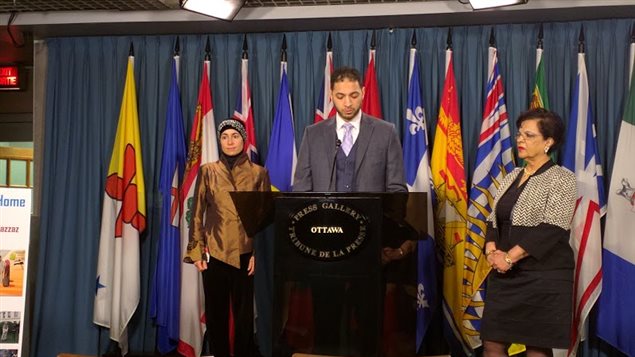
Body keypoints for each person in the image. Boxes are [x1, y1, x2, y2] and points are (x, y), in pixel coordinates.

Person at [292, 66, 410, 356]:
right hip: (324, 247)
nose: (348, 103)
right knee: (326, 323)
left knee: (369, 324)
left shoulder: (385, 132)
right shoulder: (313, 134)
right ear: (331, 95)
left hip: (370, 248)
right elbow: (301, 190)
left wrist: (385, 239)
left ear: (363, 94)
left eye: (354, 95)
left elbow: (397, 190)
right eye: (341, 96)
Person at [481, 108, 577, 357]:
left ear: (548, 142)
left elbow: (552, 227)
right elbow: (493, 219)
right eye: (519, 134)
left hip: (543, 277)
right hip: (504, 276)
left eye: (529, 135)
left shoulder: (562, 179)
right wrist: (491, 250)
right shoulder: (512, 175)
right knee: (492, 344)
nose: (520, 139)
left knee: (536, 347)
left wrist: (509, 257)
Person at [184, 118, 271, 357]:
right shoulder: (208, 171)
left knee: (243, 318)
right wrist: (196, 251)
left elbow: (264, 219)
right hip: (214, 253)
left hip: (245, 255)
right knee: (216, 314)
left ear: (243, 139)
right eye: (224, 137)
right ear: (220, 140)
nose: (229, 141)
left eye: (235, 136)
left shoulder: (259, 173)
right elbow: (197, 213)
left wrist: (257, 253)